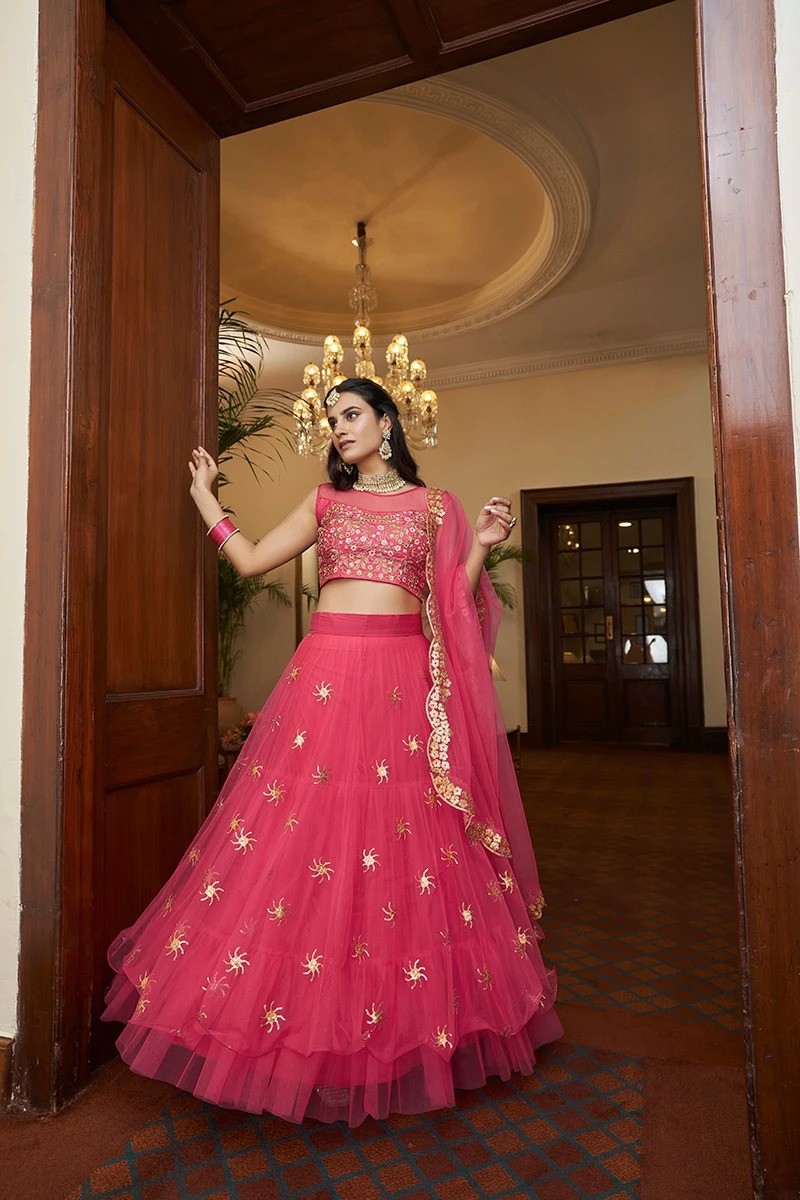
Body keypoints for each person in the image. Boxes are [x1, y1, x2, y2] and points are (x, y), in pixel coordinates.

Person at [102, 379, 563, 1125]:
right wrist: (204, 498)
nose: (340, 427)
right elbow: (250, 561)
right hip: (324, 683)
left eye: (352, 415)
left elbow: (450, 604)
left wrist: (478, 548)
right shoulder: (326, 501)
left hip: (401, 683)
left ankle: (406, 1036)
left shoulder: (435, 506)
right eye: (333, 418)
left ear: (386, 420)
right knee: (297, 842)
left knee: (402, 845)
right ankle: (289, 1028)